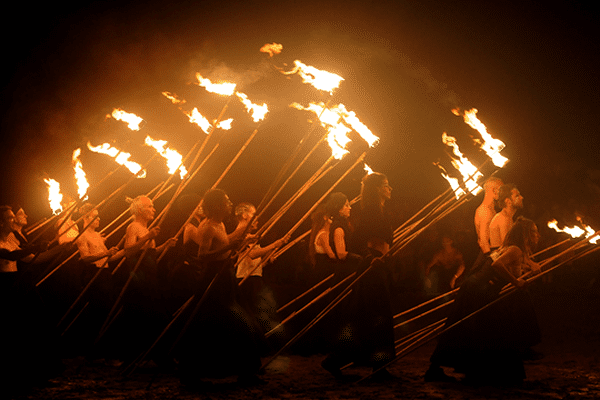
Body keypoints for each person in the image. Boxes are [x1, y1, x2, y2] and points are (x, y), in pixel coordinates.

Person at [425, 217, 542, 385]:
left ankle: (466, 371)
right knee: (470, 327)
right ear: (525, 234)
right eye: (534, 231)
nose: (538, 235)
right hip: (478, 289)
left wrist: (528, 271)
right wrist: (516, 282)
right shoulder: (515, 249)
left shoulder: (512, 249)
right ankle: (498, 373)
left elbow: (510, 267)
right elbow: (497, 266)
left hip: (476, 287)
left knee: (464, 328)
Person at [176, 189, 263, 388]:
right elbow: (203, 256)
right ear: (216, 206)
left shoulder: (220, 224)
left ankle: (246, 372)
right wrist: (228, 248)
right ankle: (191, 373)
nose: (230, 203)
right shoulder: (207, 227)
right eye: (226, 201)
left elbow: (225, 241)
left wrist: (241, 239)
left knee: (239, 323)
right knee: (214, 326)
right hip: (213, 280)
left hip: (226, 278)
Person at [322, 173, 395, 381]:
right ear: (376, 189)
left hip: (376, 266)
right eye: (386, 185)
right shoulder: (372, 211)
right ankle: (375, 365)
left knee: (365, 317)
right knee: (376, 317)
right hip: (372, 267)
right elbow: (368, 240)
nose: (390, 189)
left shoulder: (379, 210)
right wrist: (374, 256)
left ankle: (340, 360)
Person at [234, 202, 289, 337]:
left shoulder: (249, 233)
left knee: (259, 310)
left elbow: (253, 257)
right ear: (245, 215)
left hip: (252, 276)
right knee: (253, 311)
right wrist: (274, 244)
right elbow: (251, 254)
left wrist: (268, 257)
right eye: (253, 214)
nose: (256, 218)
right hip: (246, 278)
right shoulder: (241, 232)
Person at [474, 177, 503, 256]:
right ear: (494, 190)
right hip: (490, 257)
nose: (502, 193)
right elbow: (484, 242)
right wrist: (495, 260)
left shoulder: (491, 210)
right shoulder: (485, 211)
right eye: (501, 190)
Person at [489, 184, 523, 250]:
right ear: (508, 201)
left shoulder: (506, 217)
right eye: (517, 196)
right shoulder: (503, 219)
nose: (521, 197)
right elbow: (508, 248)